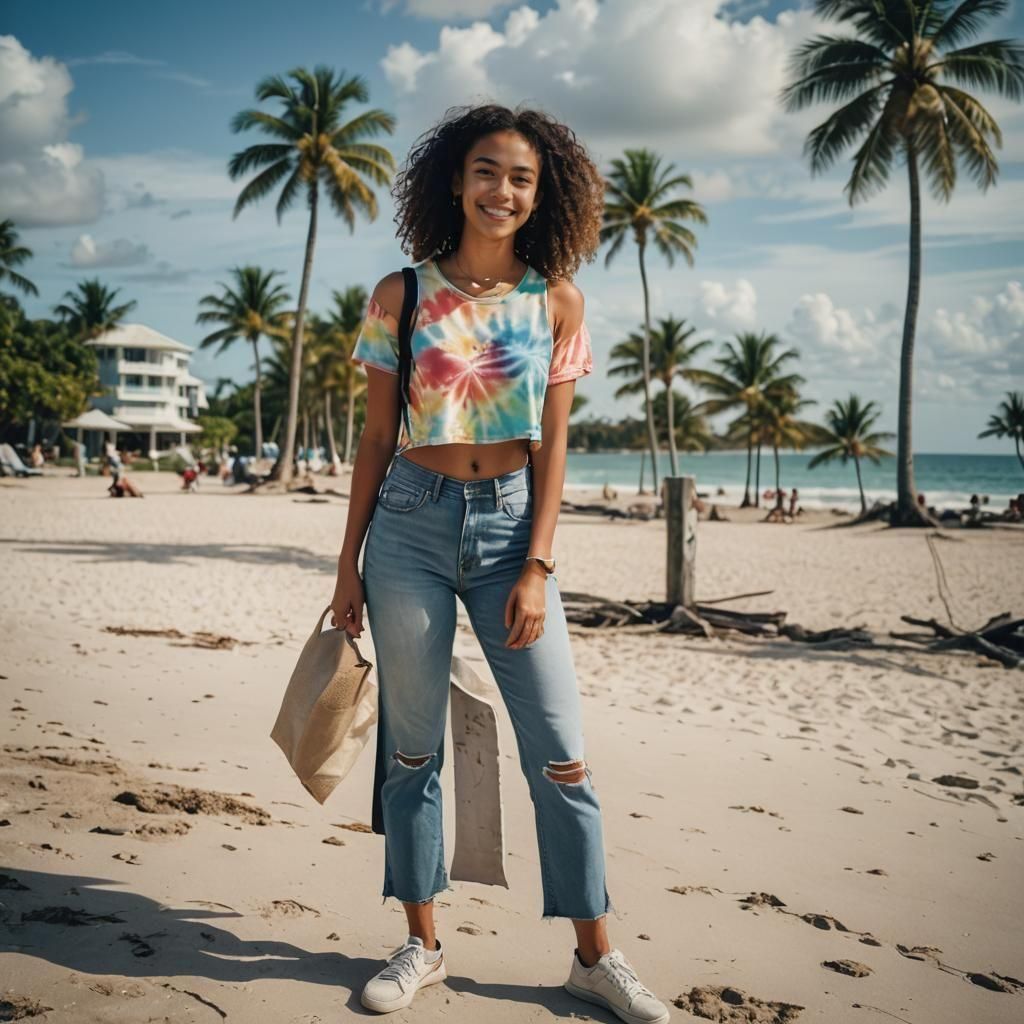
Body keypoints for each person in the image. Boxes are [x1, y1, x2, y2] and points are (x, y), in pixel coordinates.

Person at [329, 104, 668, 1023]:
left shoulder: (557, 301)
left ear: (540, 194)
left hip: (513, 532)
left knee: (561, 755)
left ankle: (595, 957)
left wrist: (538, 565)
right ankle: (422, 943)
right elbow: (375, 437)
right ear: (454, 179)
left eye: (521, 178)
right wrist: (347, 564)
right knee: (412, 750)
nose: (502, 190)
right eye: (486, 171)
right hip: (408, 525)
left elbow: (554, 444)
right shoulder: (400, 294)